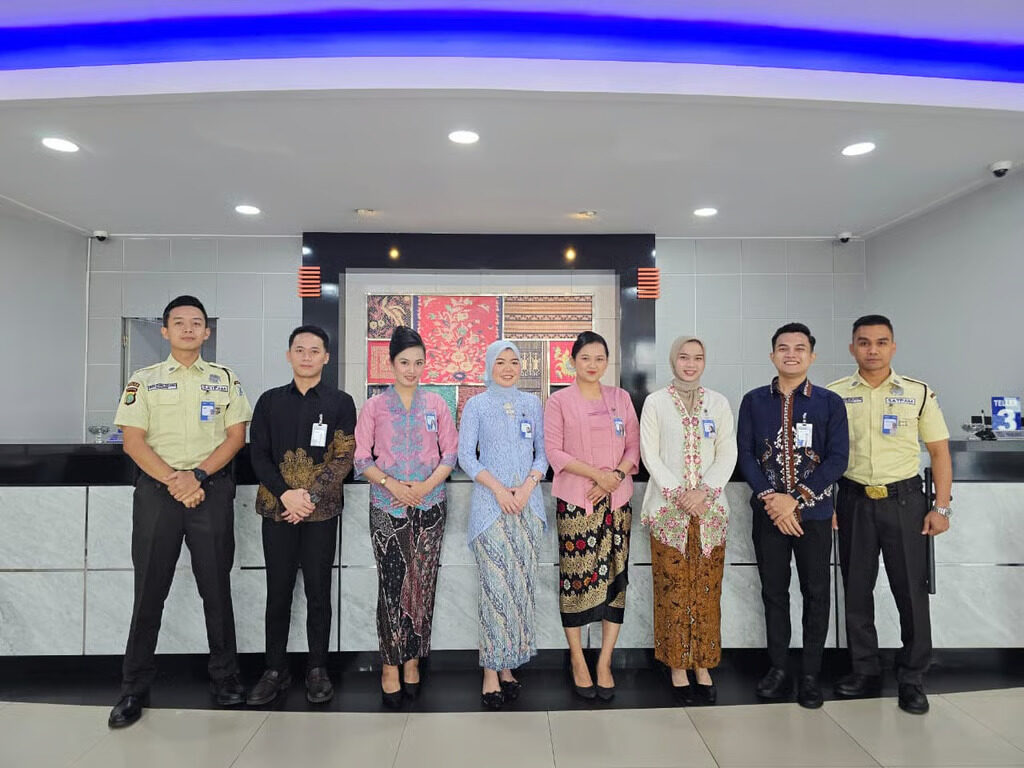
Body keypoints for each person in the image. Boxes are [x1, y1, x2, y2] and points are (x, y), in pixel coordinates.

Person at [108, 295, 252, 728]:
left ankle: (226, 678)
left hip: (211, 491)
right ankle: (133, 687)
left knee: (216, 589)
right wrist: (177, 480)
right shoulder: (144, 380)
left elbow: (236, 437)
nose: (188, 329)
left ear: (207, 331)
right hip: (158, 493)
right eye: (179, 322)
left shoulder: (225, 379)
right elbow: (133, 441)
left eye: (196, 323)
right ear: (165, 330)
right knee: (149, 591)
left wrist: (198, 477)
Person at [828, 314, 952, 715]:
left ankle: (912, 677)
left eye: (881, 342)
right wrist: (828, 503)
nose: (872, 350)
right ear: (852, 348)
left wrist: (941, 507)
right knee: (856, 590)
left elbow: (939, 452)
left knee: (911, 592)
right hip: (853, 501)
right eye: (864, 342)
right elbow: (825, 456)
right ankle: (864, 670)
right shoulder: (835, 394)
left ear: (893, 347)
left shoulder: (917, 393)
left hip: (905, 502)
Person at [736, 322, 849, 709]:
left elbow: (837, 459)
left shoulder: (829, 403)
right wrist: (773, 499)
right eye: (783, 348)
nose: (791, 354)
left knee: (816, 593)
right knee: (774, 592)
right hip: (769, 514)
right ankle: (779, 668)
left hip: (814, 515)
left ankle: (811, 674)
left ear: (812, 356)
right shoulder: (754, 401)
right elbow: (745, 455)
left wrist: (796, 499)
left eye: (800, 348)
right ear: (772, 355)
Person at [246, 325, 356, 706]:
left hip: (320, 513)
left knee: (318, 593)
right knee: (277, 592)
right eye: (300, 349)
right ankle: (274, 670)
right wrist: (287, 495)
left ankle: (318, 669)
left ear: (326, 357)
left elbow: (344, 456)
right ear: (288, 355)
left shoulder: (341, 402)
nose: (307, 356)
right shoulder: (268, 402)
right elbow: (258, 455)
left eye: (314, 350)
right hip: (277, 510)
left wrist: (309, 497)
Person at [354, 326, 458, 708]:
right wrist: (393, 485)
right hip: (388, 507)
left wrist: (426, 486)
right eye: (404, 363)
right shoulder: (374, 407)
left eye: (418, 362)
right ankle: (389, 665)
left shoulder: (437, 404)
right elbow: (361, 458)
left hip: (431, 506)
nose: (411, 370)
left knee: (422, 585)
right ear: (391, 364)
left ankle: (413, 660)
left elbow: (450, 454)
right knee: (391, 587)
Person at [640, 336, 737, 705]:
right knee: (672, 589)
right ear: (673, 360)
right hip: (668, 513)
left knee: (708, 590)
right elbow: (650, 454)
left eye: (698, 357)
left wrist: (705, 493)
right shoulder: (656, 403)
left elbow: (727, 452)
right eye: (684, 357)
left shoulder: (719, 403)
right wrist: (679, 494)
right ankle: (677, 666)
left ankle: (704, 664)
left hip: (710, 514)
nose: (691, 364)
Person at [544, 331, 640, 702]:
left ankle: (604, 662)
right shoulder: (559, 401)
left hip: (617, 502)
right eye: (585, 358)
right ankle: (577, 659)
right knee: (575, 581)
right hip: (576, 502)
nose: (593, 364)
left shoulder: (621, 398)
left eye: (600, 358)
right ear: (573, 361)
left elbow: (633, 446)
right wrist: (596, 476)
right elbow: (554, 451)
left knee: (616, 580)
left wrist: (614, 476)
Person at [458, 340, 548, 710]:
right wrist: (499, 490)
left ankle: (509, 665)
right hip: (490, 509)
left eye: (514, 361)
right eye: (501, 362)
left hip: (528, 507)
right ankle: (490, 673)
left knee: (520, 590)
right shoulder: (477, 405)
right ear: (489, 366)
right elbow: (466, 456)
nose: (508, 368)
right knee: (495, 591)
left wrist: (526, 488)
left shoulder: (532, 403)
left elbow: (542, 455)